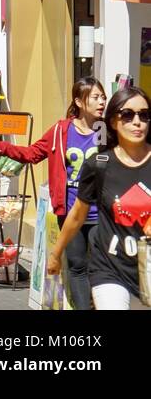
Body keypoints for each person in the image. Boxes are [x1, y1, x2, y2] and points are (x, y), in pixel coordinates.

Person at [0, 77, 106, 310]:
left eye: (103, 97)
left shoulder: (104, 130)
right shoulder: (61, 131)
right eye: (96, 97)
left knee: (102, 266)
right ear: (79, 101)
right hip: (71, 211)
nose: (102, 101)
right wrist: (1, 147)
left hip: (99, 211)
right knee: (76, 265)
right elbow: (33, 153)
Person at [49, 86, 151, 310]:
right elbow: (77, 215)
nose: (137, 121)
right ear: (113, 121)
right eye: (127, 114)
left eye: (144, 115)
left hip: (148, 269)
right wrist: (56, 254)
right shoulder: (99, 164)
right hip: (110, 269)